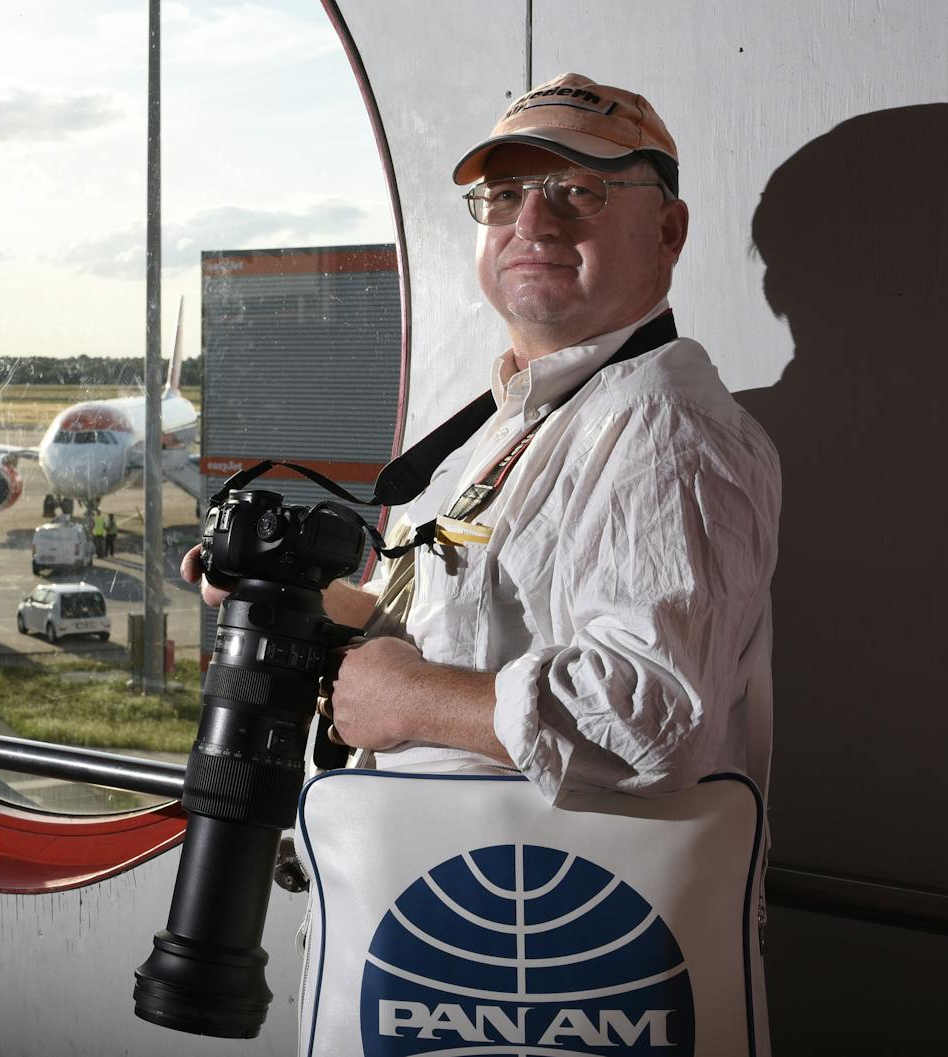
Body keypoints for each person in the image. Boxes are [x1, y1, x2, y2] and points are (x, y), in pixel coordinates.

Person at [184, 73, 779, 802]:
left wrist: (409, 699)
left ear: (668, 232)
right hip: (441, 892)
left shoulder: (666, 430)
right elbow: (464, 635)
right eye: (504, 195)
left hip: (547, 906)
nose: (531, 221)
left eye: (576, 190)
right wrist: (305, 604)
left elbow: (645, 719)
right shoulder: (527, 414)